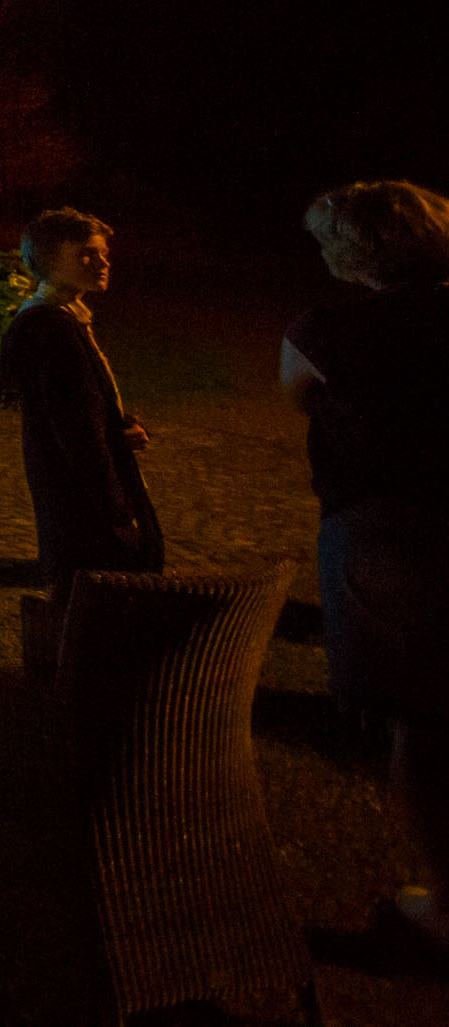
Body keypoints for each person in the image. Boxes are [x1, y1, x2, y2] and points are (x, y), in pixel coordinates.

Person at [281, 179, 449, 957]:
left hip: (387, 532)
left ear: (353, 250)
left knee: (423, 720)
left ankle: (444, 905)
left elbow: (298, 394)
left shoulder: (329, 330)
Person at [1, 208, 162, 608]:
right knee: (97, 598)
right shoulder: (50, 328)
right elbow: (75, 430)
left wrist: (121, 425)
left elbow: (84, 402)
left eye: (103, 253)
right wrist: (116, 510)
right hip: (80, 499)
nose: (103, 262)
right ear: (47, 261)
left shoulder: (65, 320)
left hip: (77, 491)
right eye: (86, 254)